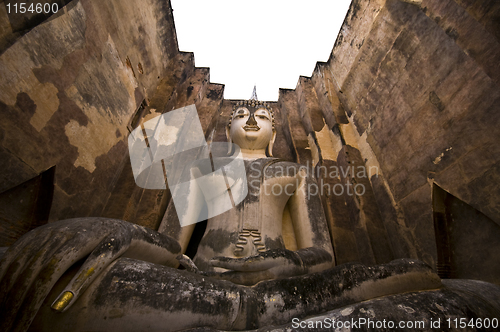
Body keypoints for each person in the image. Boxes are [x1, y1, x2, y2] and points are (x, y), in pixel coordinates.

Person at [0, 99, 337, 331]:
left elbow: (323, 256)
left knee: (383, 289)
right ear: (226, 129)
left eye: (262, 116)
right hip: (198, 285)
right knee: (58, 275)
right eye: (240, 115)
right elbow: (171, 246)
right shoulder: (202, 167)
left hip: (285, 294)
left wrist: (290, 263)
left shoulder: (294, 171)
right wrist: (126, 234)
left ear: (273, 134)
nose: (250, 120)